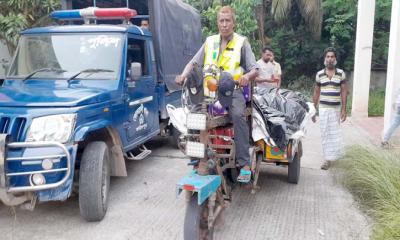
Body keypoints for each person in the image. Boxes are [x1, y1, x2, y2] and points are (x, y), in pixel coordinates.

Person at [175, 6, 258, 183]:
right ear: (217, 22)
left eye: (228, 20)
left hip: (232, 90)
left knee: (238, 115)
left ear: (233, 23)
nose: (225, 24)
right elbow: (193, 63)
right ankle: (198, 159)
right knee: (194, 116)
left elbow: (254, 69)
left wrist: (246, 76)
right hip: (209, 91)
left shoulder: (242, 42)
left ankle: (243, 164)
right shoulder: (210, 41)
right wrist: (183, 75)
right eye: (222, 20)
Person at [312, 47, 347, 170]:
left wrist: (344, 109)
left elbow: (343, 91)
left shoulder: (341, 73)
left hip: (336, 109)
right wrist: (313, 109)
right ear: (325, 59)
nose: (330, 59)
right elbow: (316, 92)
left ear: (335, 59)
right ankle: (327, 159)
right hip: (323, 109)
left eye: (332, 57)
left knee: (335, 133)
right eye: (328, 57)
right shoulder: (319, 74)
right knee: (325, 133)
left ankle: (335, 157)